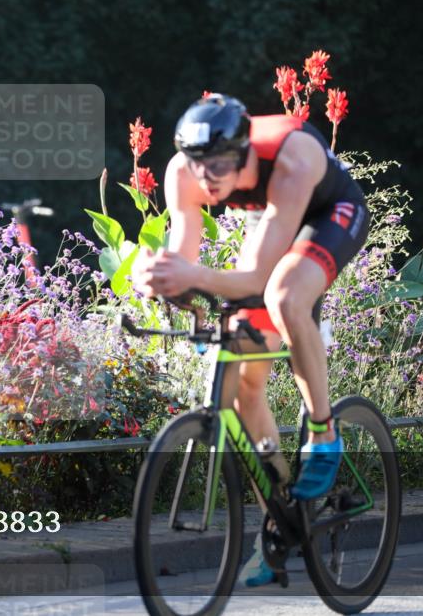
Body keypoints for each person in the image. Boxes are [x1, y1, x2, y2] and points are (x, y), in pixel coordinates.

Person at [131, 93, 369, 587]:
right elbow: (186, 258)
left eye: (219, 165)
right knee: (243, 384)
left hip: (330, 211)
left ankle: (324, 435)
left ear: (243, 154)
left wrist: (189, 274)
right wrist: (160, 278)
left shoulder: (290, 156)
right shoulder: (183, 174)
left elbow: (259, 277)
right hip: (275, 217)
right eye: (198, 165)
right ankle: (279, 520)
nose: (207, 178)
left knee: (284, 296)